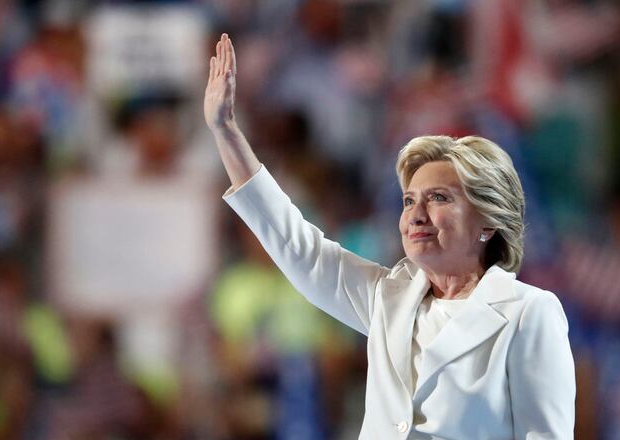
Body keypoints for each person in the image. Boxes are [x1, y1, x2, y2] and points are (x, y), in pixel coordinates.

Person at [204, 33, 575, 439]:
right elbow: (298, 247)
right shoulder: (388, 298)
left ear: (487, 222)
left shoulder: (529, 313)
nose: (415, 215)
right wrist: (225, 130)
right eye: (408, 201)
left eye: (438, 198)